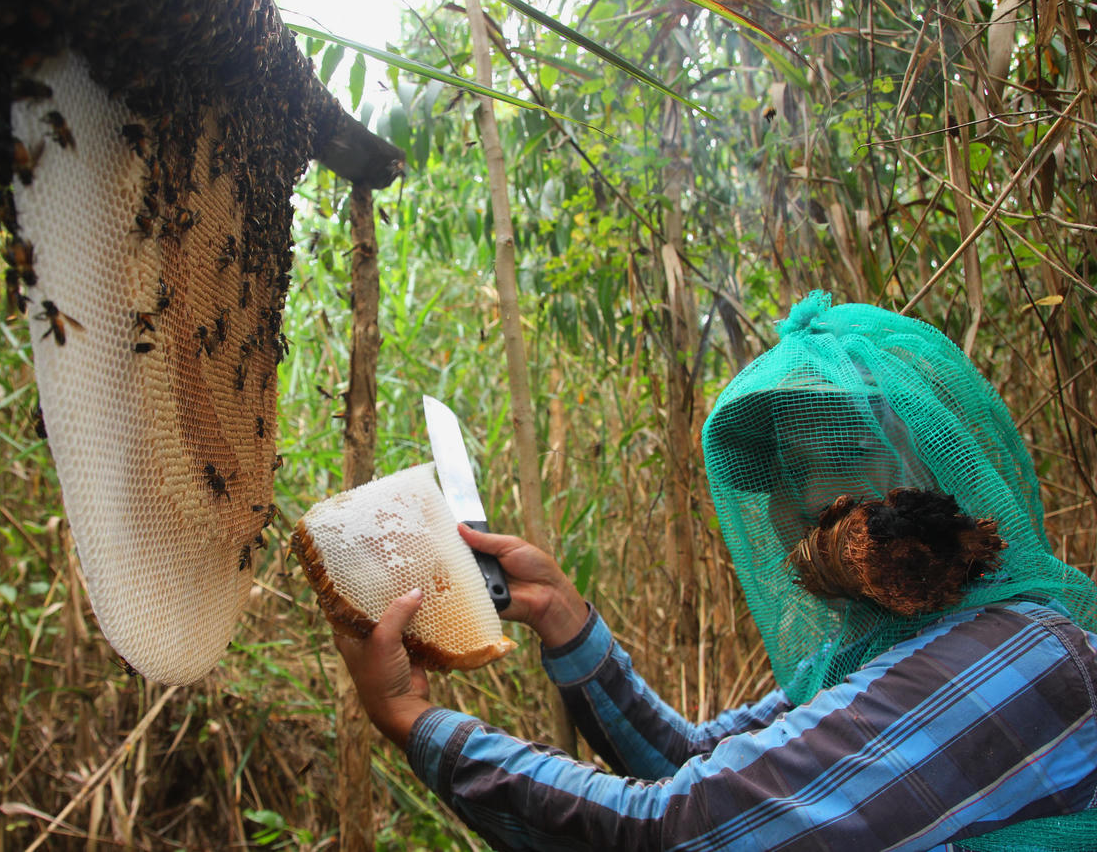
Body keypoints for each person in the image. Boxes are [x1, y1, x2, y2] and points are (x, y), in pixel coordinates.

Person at [334, 292, 1097, 851]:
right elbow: (692, 760)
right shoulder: (870, 657)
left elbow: (675, 828)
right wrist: (563, 615)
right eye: (793, 470)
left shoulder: (1023, 656)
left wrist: (416, 719)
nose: (814, 501)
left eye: (846, 453)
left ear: (929, 464)